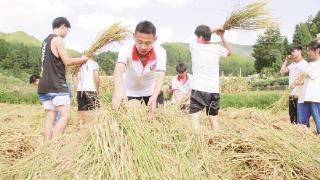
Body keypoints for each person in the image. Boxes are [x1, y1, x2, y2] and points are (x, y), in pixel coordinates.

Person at [37, 17, 89, 141]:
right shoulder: (58, 39)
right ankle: (54, 145)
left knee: (51, 116)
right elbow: (67, 61)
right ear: (63, 26)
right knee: (66, 116)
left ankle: (45, 147)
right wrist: (84, 58)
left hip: (44, 87)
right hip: (56, 86)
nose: (67, 34)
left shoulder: (45, 41)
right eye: (67, 30)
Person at [112, 20, 167, 116]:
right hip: (131, 92)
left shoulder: (161, 51)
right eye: (139, 42)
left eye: (148, 43)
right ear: (134, 37)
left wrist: (154, 97)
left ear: (155, 39)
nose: (143, 47)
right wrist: (119, 91)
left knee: (158, 120)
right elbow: (119, 69)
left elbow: (160, 75)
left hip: (152, 92)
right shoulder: (126, 49)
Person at [189, 25, 231, 131]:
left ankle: (197, 144)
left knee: (194, 118)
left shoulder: (194, 46)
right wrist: (221, 36)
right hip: (214, 90)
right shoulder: (217, 48)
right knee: (213, 118)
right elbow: (229, 52)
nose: (196, 39)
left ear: (201, 37)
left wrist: (214, 29)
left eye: (197, 36)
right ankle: (217, 141)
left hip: (199, 89)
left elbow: (206, 35)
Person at [295, 41, 320, 134]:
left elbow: (309, 74)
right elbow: (302, 78)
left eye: (310, 51)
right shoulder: (309, 64)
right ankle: (304, 141)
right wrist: (298, 81)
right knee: (301, 124)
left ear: (318, 50)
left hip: (315, 97)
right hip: (304, 97)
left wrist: (302, 76)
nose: (308, 53)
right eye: (307, 51)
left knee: (319, 121)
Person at [280, 45, 308, 124]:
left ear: (300, 51)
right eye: (291, 51)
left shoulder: (304, 64)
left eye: (294, 51)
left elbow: (306, 79)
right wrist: (286, 60)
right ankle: (295, 133)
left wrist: (299, 91)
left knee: (300, 117)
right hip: (291, 93)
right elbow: (282, 71)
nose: (292, 53)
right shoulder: (292, 65)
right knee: (292, 116)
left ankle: (303, 133)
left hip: (299, 94)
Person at [73, 59, 100, 125]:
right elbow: (97, 78)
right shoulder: (94, 63)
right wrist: (97, 89)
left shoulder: (78, 63)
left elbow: (74, 77)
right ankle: (90, 127)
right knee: (93, 110)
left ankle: (80, 126)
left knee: (81, 109)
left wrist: (77, 88)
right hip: (91, 89)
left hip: (80, 90)